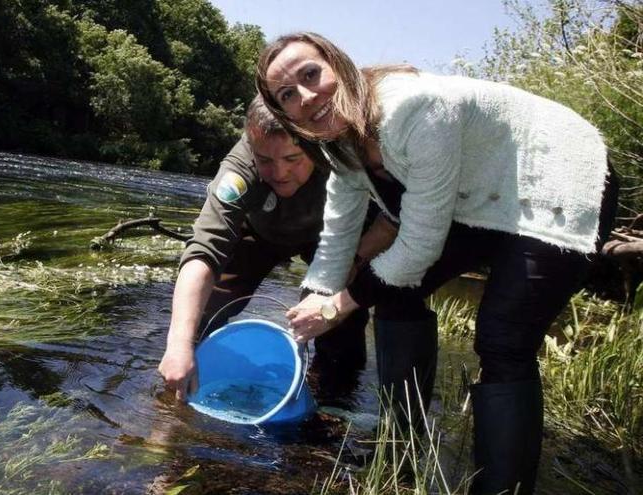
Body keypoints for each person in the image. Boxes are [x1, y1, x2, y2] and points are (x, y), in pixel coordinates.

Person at [255, 32, 619, 494]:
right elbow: (338, 235)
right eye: (288, 94)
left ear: (338, 65)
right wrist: (312, 302)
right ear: (285, 112)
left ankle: (502, 489)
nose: (308, 96)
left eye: (311, 75)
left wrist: (338, 306)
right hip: (482, 194)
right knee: (397, 295)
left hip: (557, 177)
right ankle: (401, 444)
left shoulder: (415, 108)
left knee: (503, 339)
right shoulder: (335, 142)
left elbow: (420, 244)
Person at [157, 95, 415, 405]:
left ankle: (333, 403)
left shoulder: (342, 153)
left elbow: (395, 215)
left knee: (337, 324)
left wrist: (355, 263)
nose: (279, 173)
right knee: (205, 309)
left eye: (292, 159)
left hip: (332, 237)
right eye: (265, 160)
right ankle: (183, 383)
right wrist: (178, 342)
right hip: (259, 232)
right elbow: (203, 251)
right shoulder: (238, 171)